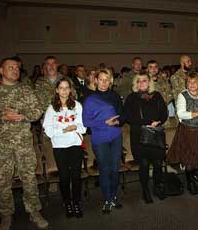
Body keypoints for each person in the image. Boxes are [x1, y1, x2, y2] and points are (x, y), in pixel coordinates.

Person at [0, 57, 48, 230]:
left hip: (23, 144)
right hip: (0, 145)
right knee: (1, 182)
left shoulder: (26, 90)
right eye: (11, 68)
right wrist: (1, 117)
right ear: (1, 71)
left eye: (17, 68)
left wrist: (23, 115)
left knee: (29, 179)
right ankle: (6, 215)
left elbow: (37, 111)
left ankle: (34, 212)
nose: (15, 70)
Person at [43, 78, 86, 218]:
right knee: (64, 177)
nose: (64, 90)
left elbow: (83, 127)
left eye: (67, 87)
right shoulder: (51, 108)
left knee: (76, 176)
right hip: (59, 146)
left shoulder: (77, 105)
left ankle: (76, 203)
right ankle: (67, 203)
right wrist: (63, 131)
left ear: (70, 89)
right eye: (61, 88)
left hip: (75, 144)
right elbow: (47, 129)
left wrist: (75, 127)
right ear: (56, 90)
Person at [82, 69, 125, 213]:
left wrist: (117, 122)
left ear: (111, 81)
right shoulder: (89, 99)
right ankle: (107, 199)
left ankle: (113, 197)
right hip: (100, 139)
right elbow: (85, 121)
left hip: (115, 136)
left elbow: (123, 116)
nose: (104, 82)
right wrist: (104, 122)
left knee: (114, 169)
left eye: (107, 79)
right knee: (104, 169)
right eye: (101, 79)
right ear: (95, 81)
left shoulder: (115, 96)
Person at [168, 71, 198, 195]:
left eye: (195, 82)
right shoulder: (182, 95)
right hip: (187, 131)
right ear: (186, 84)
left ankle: (196, 180)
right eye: (189, 82)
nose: (192, 84)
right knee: (189, 158)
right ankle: (190, 183)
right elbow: (181, 114)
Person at [124, 72, 168, 203]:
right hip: (140, 135)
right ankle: (145, 190)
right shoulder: (131, 98)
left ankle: (156, 187)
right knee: (143, 165)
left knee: (158, 164)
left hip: (156, 134)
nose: (142, 83)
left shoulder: (157, 95)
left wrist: (158, 121)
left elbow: (164, 113)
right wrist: (145, 123)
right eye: (139, 81)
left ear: (149, 82)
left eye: (144, 80)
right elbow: (128, 117)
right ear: (136, 84)